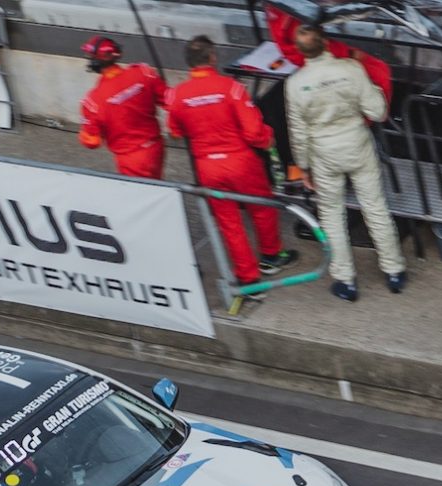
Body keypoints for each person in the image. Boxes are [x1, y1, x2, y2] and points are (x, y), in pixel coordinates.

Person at [285, 24, 406, 302]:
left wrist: (303, 167)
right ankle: (395, 271)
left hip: (323, 154)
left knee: (331, 215)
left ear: (299, 49)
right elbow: (377, 112)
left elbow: (298, 132)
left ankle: (346, 281)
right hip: (358, 145)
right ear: (326, 42)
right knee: (375, 207)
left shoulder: (294, 84)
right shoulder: (351, 69)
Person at [166, 35, 298, 292]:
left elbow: (175, 131)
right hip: (240, 161)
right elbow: (253, 132)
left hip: (208, 167)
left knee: (229, 222)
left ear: (189, 63)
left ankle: (247, 277)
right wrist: (268, 139)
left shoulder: (176, 95)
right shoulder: (231, 88)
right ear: (212, 58)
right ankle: (271, 257)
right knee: (262, 208)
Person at [78, 36, 168, 179]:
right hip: (156, 148)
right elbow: (168, 101)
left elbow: (92, 142)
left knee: (142, 197)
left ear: (95, 62)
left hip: (131, 159)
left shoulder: (93, 101)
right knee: (158, 186)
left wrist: (85, 134)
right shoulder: (143, 72)